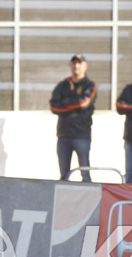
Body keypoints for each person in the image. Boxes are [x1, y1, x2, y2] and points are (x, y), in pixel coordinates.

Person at [50, 54, 96, 182]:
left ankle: (88, 199)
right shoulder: (63, 85)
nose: (76, 66)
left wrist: (65, 103)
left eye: (79, 63)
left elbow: (83, 103)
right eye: (74, 63)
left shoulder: (90, 85)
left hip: (82, 135)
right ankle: (64, 200)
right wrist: (73, 105)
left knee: (85, 173)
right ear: (70, 66)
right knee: (64, 175)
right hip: (63, 135)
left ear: (85, 66)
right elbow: (53, 106)